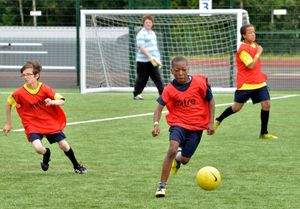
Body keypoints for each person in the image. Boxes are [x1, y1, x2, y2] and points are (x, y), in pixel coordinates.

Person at [3, 60, 87, 174]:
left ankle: (76, 166)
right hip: (32, 124)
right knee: (38, 148)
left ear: (37, 75)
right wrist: (8, 123)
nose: (25, 77)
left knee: (64, 145)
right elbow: (8, 103)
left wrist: (52, 102)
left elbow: (61, 100)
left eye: (28, 74)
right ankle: (46, 153)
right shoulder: (19, 93)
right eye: (23, 75)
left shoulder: (45, 88)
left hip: (49, 122)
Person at [152, 56, 215, 198]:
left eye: (183, 70)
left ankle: (179, 159)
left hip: (197, 126)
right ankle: (162, 186)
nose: (180, 73)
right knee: (172, 149)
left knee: (185, 159)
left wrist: (210, 122)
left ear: (188, 69)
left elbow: (211, 101)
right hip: (178, 123)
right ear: (171, 71)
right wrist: (156, 124)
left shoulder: (199, 83)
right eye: (177, 70)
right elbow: (158, 109)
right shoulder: (169, 89)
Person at [214, 24, 278, 140]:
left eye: (254, 32)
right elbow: (251, 65)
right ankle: (218, 120)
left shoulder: (255, 45)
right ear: (243, 35)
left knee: (266, 104)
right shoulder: (243, 49)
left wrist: (258, 50)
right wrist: (259, 52)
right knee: (236, 108)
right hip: (246, 84)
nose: (253, 34)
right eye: (250, 33)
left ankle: (264, 133)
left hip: (259, 82)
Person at [133, 15, 164, 100]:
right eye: (146, 22)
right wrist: (150, 57)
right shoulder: (141, 34)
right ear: (143, 23)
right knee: (142, 79)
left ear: (152, 23)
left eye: (150, 22)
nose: (148, 24)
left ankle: (163, 95)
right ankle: (136, 94)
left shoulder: (153, 33)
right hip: (143, 61)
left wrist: (157, 58)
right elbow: (141, 47)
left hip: (153, 61)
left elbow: (155, 47)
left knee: (157, 78)